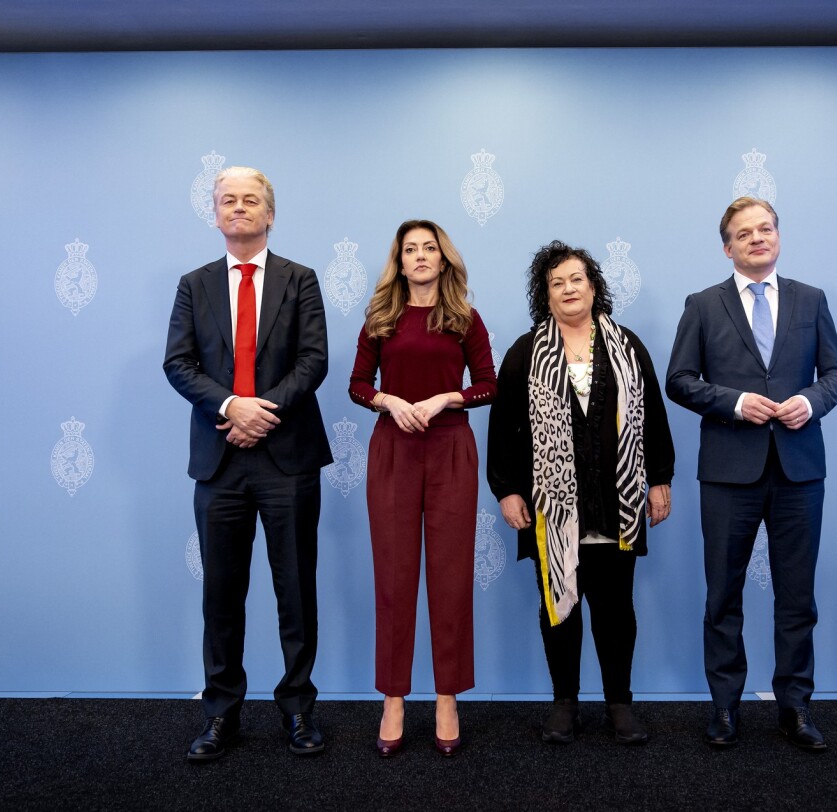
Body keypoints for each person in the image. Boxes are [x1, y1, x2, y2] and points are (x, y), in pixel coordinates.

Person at [665, 197, 837, 752]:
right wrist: (735, 401)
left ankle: (795, 708)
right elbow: (679, 379)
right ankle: (725, 708)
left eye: (765, 228)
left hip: (799, 472)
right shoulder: (702, 304)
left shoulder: (811, 300)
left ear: (778, 236)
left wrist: (812, 402)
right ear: (728, 246)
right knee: (723, 595)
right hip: (727, 472)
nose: (756, 238)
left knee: (798, 597)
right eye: (743, 233)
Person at [164, 166, 332, 761]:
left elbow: (313, 361)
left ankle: (298, 712)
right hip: (218, 461)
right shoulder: (194, 284)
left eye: (251, 200)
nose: (239, 208)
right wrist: (232, 407)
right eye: (228, 200)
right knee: (221, 594)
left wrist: (262, 413)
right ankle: (220, 716)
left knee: (296, 591)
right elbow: (178, 364)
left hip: (286, 459)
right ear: (215, 214)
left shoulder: (300, 280)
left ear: (269, 213)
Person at [487, 240, 675, 745]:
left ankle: (620, 704)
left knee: (617, 610)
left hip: (618, 505)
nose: (568, 289)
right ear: (544, 296)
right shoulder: (525, 354)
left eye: (577, 279)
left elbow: (653, 416)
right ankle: (564, 704)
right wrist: (507, 491)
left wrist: (659, 478)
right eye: (556, 283)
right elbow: (503, 430)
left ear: (594, 287)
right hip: (552, 510)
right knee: (559, 610)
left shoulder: (628, 346)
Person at [348, 219, 496, 757]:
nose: (419, 256)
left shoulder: (464, 318)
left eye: (428, 248)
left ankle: (447, 697)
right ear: (400, 261)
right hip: (393, 449)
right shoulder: (380, 319)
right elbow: (357, 385)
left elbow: (488, 384)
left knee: (451, 576)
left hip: (451, 447)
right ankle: (392, 699)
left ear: (443, 258)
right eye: (409, 249)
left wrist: (444, 399)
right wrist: (389, 402)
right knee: (394, 575)